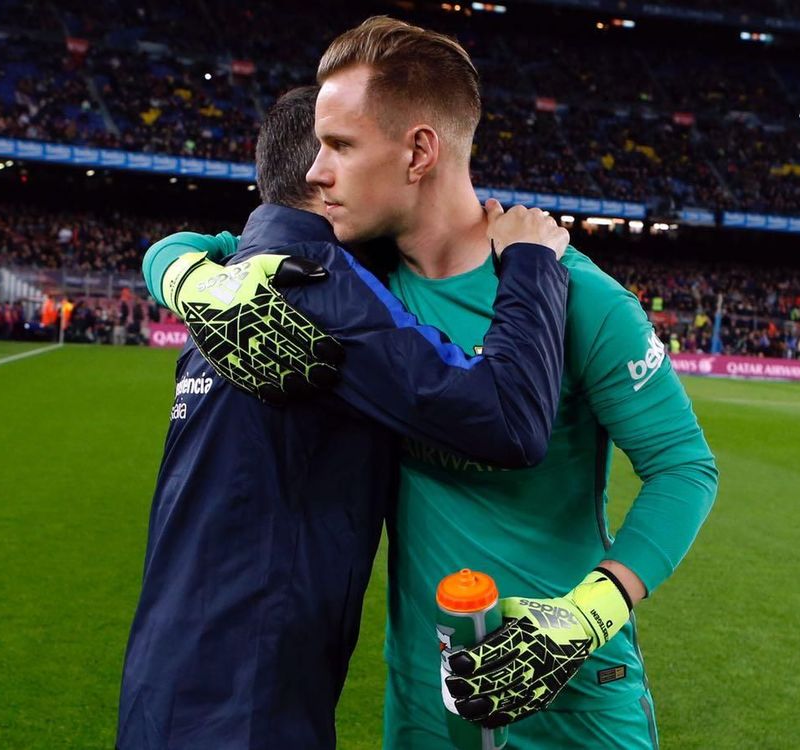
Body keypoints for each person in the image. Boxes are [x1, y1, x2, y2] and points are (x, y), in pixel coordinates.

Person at [168, 17, 717, 748]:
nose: (314, 171)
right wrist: (174, 271)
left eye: (340, 145)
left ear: (419, 150)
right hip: (430, 699)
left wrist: (591, 610)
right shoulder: (358, 283)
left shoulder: (575, 295)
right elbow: (223, 248)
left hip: (573, 697)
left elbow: (684, 468)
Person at [118, 85, 572, 750]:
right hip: (245, 706)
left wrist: (172, 262)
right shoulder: (318, 280)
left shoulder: (230, 280)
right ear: (326, 176)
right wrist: (532, 264)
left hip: (167, 688)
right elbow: (507, 419)